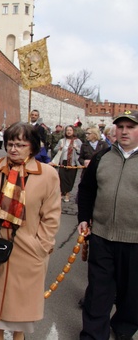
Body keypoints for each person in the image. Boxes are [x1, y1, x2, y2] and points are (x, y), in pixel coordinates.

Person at [0, 122, 61, 340]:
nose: (14, 149)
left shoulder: (48, 175)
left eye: (20, 144)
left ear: (32, 147)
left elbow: (51, 216)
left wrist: (41, 246)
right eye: (11, 143)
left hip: (27, 248)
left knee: (21, 303)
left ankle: (18, 338)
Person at [77, 110, 138, 340]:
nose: (124, 131)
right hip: (102, 236)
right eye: (120, 127)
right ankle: (93, 335)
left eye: (130, 127)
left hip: (134, 240)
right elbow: (86, 190)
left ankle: (123, 328)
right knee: (98, 291)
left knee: (131, 294)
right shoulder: (102, 158)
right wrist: (83, 218)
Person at [53, 125, 82, 202]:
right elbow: (55, 149)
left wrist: (76, 148)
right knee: (62, 178)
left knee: (70, 179)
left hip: (72, 162)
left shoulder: (77, 141)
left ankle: (67, 194)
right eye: (67, 130)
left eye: (70, 130)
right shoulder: (62, 140)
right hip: (64, 161)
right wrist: (60, 148)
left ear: (73, 131)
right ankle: (62, 192)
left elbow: (82, 152)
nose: (69, 132)